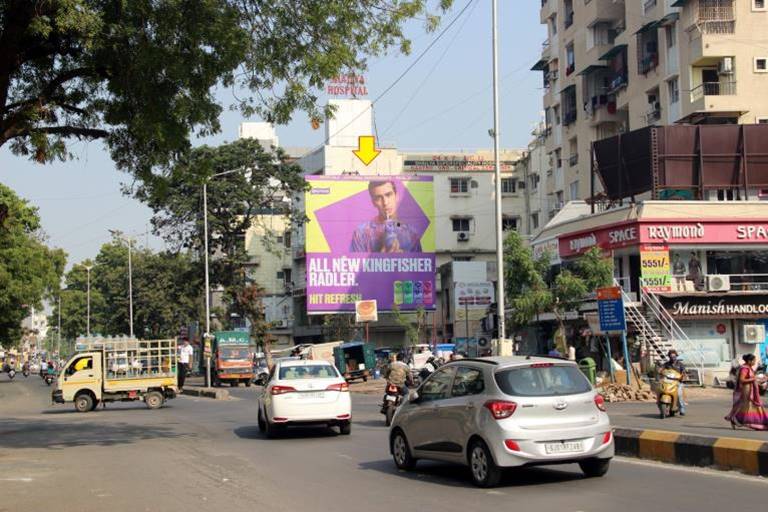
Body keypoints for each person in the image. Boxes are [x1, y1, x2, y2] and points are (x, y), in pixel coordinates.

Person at [349, 180, 422, 253]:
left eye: (388, 195)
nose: (385, 202)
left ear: (396, 196)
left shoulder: (411, 234)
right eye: (379, 198)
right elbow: (357, 263)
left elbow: (421, 263)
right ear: (373, 202)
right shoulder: (361, 234)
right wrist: (382, 257)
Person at [725, 354, 768, 430]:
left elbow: (752, 379)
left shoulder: (749, 368)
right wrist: (754, 379)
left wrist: (760, 380)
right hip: (747, 391)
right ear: (749, 361)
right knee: (749, 407)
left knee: (751, 407)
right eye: (754, 361)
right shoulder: (744, 369)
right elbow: (742, 380)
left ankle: (738, 419)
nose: (755, 362)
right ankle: (744, 421)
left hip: (750, 390)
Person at [660, 350, 687, 416]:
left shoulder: (680, 364)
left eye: (674, 356)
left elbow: (683, 372)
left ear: (676, 356)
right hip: (668, 381)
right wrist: (659, 370)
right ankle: (659, 402)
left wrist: (683, 376)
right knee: (660, 390)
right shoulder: (666, 364)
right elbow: (661, 369)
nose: (673, 358)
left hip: (677, 382)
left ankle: (682, 409)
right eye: (671, 356)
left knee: (679, 395)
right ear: (669, 357)